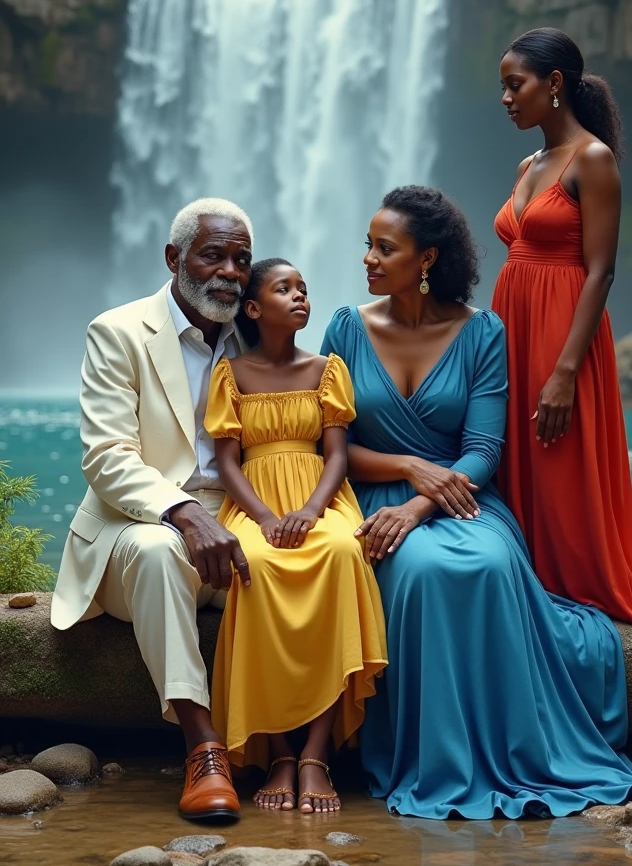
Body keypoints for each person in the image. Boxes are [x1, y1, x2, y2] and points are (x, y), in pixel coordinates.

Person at [321, 184, 632, 820]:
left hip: (462, 497)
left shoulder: (481, 332)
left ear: (427, 259)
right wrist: (408, 470)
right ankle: (437, 758)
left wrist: (423, 502)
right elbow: (331, 447)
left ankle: (504, 751)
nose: (367, 258)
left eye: (383, 247)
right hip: (371, 492)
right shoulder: (346, 328)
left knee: (481, 562)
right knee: (423, 569)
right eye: (367, 245)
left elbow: (484, 449)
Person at [51, 198, 257, 822]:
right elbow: (107, 456)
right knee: (160, 549)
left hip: (237, 520)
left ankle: (293, 748)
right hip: (135, 526)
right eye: (213, 254)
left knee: (307, 557)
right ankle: (204, 748)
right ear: (174, 258)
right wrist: (182, 511)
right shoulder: (119, 331)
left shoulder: (258, 336)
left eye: (241, 259)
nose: (229, 271)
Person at [493, 27, 632, 625]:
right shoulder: (529, 162)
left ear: (556, 84)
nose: (507, 98)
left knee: (557, 456)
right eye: (502, 88)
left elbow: (601, 271)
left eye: (516, 85)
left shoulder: (591, 159)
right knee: (514, 454)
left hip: (562, 329)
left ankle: (577, 586)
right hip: (511, 325)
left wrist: (566, 369)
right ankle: (527, 580)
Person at [205, 259, 386, 814]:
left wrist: (311, 508)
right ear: (254, 309)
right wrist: (262, 516)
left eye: (304, 288)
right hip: (255, 502)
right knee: (254, 565)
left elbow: (335, 453)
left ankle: (315, 753)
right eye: (284, 289)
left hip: (320, 498)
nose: (300, 296)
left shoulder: (326, 368)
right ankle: (279, 751)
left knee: (340, 551)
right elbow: (227, 462)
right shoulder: (230, 374)